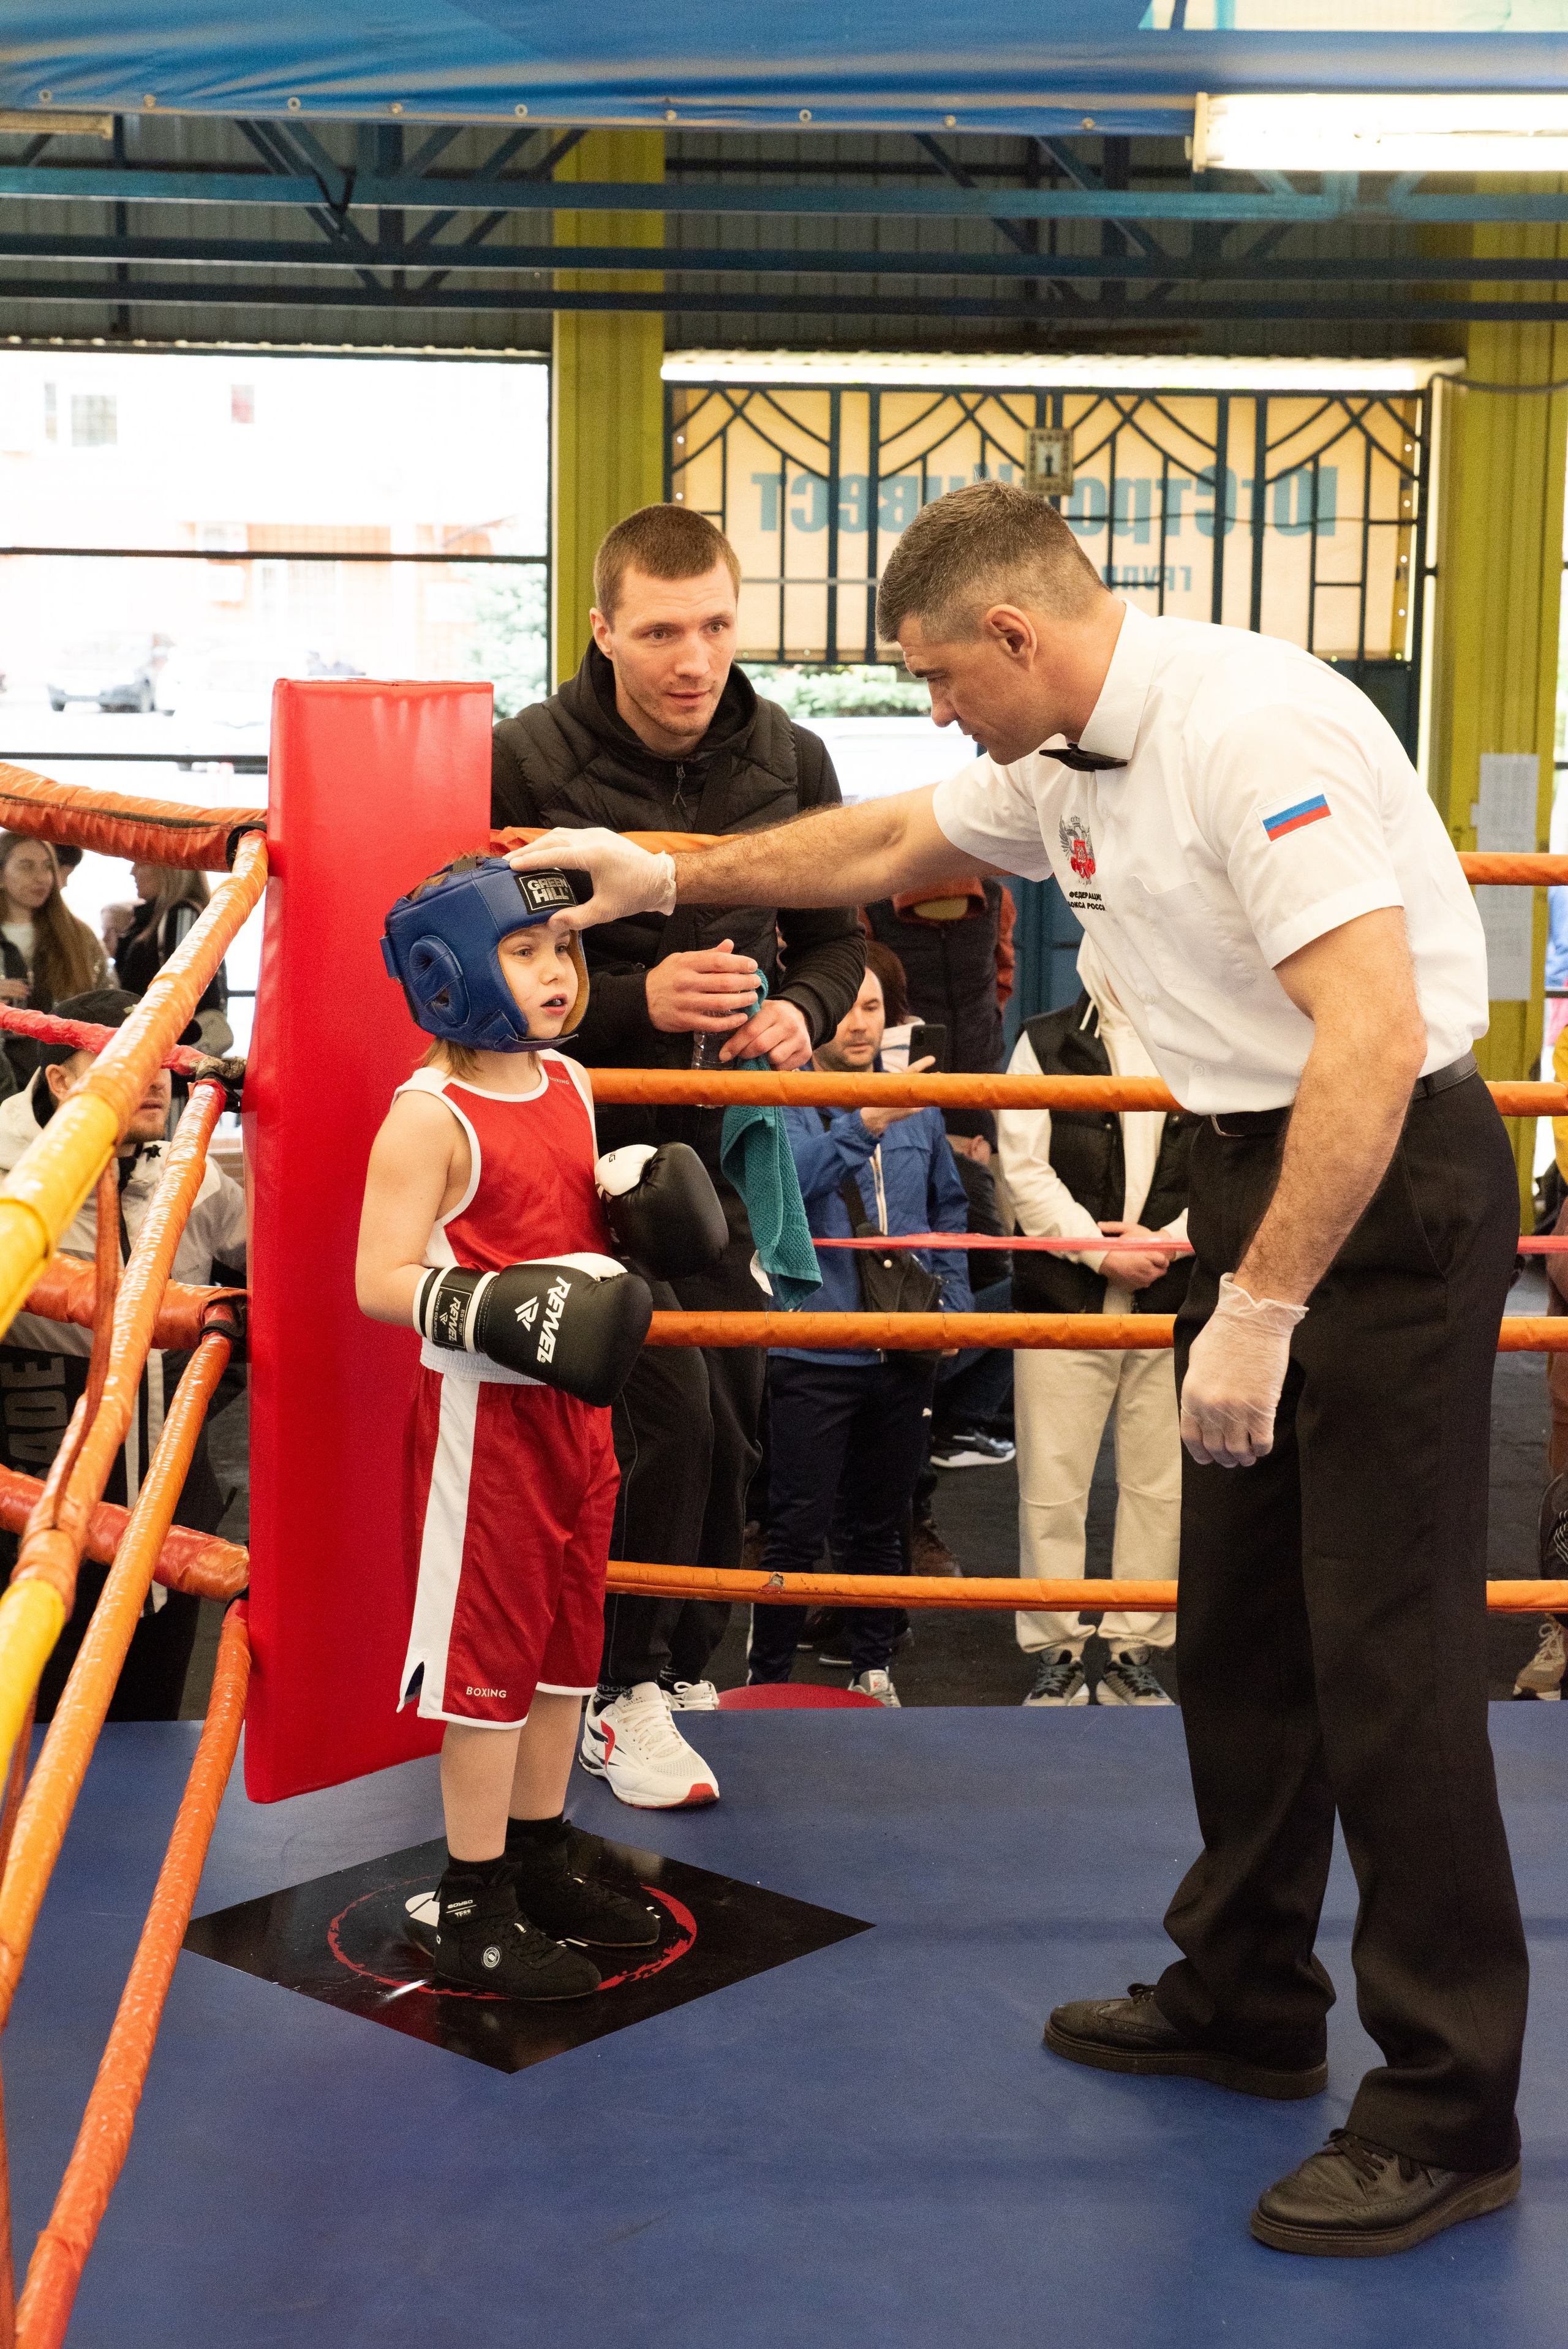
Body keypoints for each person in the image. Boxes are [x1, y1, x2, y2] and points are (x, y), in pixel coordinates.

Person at [514, 478, 1528, 2258]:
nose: (930, 710)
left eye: (933, 675)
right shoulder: (1054, 748)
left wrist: (1268, 1307)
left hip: (1373, 1187)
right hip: (1247, 1166)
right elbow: (889, 842)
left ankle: (1446, 2104)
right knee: (1234, 1630)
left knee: (1386, 1656)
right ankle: (1247, 1994)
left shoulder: (1246, 726)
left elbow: (1370, 1033)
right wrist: (664, 872)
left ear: (1013, 637)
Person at [491, 502, 864, 1806]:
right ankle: (614, 1687)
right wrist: (628, 1005)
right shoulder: (523, 757)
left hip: (706, 1158)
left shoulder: (791, 755)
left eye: (712, 622)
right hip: (556, 1140)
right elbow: (472, 966)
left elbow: (835, 942)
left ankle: (676, 1659)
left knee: (732, 1416)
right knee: (662, 1418)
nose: (689, 657)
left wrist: (796, 1013)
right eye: (657, 630)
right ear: (601, 629)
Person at [359, 853, 723, 1999]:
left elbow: (576, 1247)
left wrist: (632, 1218)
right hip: (484, 1426)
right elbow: (375, 1279)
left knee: (569, 1651)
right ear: (453, 971)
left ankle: (538, 1856)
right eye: (524, 952)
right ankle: (468, 1897)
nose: (556, 972)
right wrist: (486, 1306)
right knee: (489, 1666)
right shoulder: (429, 1115)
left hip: (582, 1414)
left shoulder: (567, 1083)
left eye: (562, 949)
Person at [0, 989, 244, 1719]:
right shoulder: (13, 1175)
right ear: (62, 1080)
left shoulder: (187, 1167)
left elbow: (285, 1253)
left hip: (171, 1488)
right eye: (127, 1058)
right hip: (38, 1477)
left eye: (166, 1056)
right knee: (32, 1718)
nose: (158, 1075)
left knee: (149, 1718)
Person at [747, 954, 972, 1702]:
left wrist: (955, 1311)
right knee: (796, 1526)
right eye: (844, 1007)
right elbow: (778, 1191)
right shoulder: (781, 1095)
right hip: (811, 1343)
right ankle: (767, 1675)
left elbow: (948, 1211)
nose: (857, 1022)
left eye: (871, 1007)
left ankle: (875, 1666)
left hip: (903, 1346)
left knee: (885, 1521)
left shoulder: (921, 1105)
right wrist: (863, 1123)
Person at [1000, 932, 1197, 1707]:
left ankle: (1130, 1650)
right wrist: (1096, 1250)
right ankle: (1053, 1648)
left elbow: (1236, 1159)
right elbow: (1022, 1165)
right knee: (1051, 1482)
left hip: (1172, 1300)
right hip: (1061, 1301)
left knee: (1161, 1485)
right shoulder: (1043, 1042)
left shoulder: (1204, 1042)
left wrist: (1173, 1242)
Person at [0, 831, 106, 1090]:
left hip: (61, 1083)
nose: (41, 877)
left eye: (48, 867)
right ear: (1, 876)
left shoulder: (79, 937)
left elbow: (105, 1005)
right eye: (27, 867)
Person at [113, 863, 232, 1057]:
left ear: (169, 869)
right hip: (165, 1045)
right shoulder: (159, 917)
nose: (132, 871)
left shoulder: (183, 914)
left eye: (141, 863)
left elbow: (184, 985)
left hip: (172, 1048)